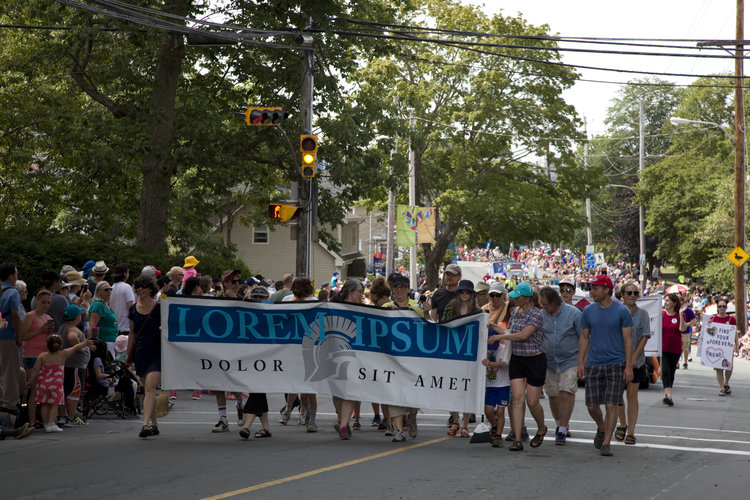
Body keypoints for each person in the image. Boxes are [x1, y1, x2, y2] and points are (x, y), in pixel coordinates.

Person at [577, 275, 633, 457]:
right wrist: (580, 362)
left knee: (611, 404)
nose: (591, 292)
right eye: (591, 288)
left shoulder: (622, 311)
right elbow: (584, 337)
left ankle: (606, 442)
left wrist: (628, 366)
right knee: (592, 405)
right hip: (593, 363)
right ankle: (601, 427)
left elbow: (628, 340)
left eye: (595, 288)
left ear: (606, 290)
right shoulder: (588, 311)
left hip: (616, 363)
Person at [493, 282, 547, 452]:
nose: (515, 299)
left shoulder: (536, 314)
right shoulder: (516, 311)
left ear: (526, 298)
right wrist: (494, 327)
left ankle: (541, 428)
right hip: (517, 358)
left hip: (535, 359)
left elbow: (523, 335)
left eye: (518, 297)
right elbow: (510, 331)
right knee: (517, 399)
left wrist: (500, 337)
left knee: (532, 402)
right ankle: (517, 438)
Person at [539, 286, 581, 446]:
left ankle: (562, 429)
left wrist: (583, 361)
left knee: (566, 393)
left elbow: (584, 337)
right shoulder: (541, 315)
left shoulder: (574, 313)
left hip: (570, 359)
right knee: (553, 395)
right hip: (549, 361)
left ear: (554, 302)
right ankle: (559, 424)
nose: (543, 307)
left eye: (545, 304)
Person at [26, 334, 92, 433]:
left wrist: (30, 381)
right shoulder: (62, 354)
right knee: (54, 404)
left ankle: (46, 423)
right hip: (56, 385)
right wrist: (85, 343)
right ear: (61, 345)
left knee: (44, 404)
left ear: (47, 345)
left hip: (43, 384)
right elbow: (75, 347)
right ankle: (51, 424)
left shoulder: (42, 356)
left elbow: (35, 369)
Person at [442, 280, 481, 438]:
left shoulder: (477, 310)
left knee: (467, 389)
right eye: (462, 292)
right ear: (458, 293)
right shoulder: (451, 306)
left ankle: (465, 424)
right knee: (452, 387)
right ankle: (455, 421)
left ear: (472, 294)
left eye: (467, 292)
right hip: (452, 350)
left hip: (469, 352)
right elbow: (443, 324)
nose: (465, 294)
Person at [280, 277, 319, 432]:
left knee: (309, 389)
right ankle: (292, 411)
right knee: (294, 382)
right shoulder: (287, 300)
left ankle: (310, 418)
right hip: (292, 347)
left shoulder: (314, 303)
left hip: (309, 347)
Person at [615, 281, 650, 445]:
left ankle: (631, 432)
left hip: (637, 360)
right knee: (617, 395)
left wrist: (634, 357)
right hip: (617, 359)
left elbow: (645, 336)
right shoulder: (616, 312)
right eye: (629, 293)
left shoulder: (643, 314)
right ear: (622, 295)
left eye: (635, 293)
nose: (632, 296)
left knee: (632, 395)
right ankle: (622, 424)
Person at [127, 276, 162, 438]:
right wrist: (128, 354)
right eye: (138, 286)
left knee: (150, 388)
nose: (140, 289)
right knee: (149, 390)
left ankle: (145, 424)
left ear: (151, 289)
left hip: (156, 352)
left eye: (144, 286)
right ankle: (154, 424)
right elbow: (132, 333)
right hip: (140, 353)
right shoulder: (133, 309)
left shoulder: (159, 308)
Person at [330, 280, 363, 439]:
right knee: (337, 391)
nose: (361, 294)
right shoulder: (334, 306)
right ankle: (341, 416)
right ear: (350, 291)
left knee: (350, 389)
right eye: (359, 291)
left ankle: (343, 426)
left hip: (355, 353)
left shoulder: (363, 309)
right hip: (334, 351)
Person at [20, 289, 56, 427]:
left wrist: (50, 333)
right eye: (43, 302)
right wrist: (41, 330)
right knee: (34, 389)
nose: (46, 305)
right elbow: (23, 336)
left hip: (44, 355)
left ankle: (41, 419)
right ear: (37, 302)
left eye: (48, 303)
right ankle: (31, 421)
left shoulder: (47, 317)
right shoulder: (30, 316)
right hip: (31, 355)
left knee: (43, 389)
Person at [0, 262, 23, 429]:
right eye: (15, 274)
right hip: (8, 336)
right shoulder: (12, 292)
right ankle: (8, 413)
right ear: (10, 276)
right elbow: (15, 315)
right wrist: (19, 336)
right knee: (10, 374)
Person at [481, 320, 511, 448]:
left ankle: (498, 435)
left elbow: (504, 363)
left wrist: (490, 363)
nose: (492, 349)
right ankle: (494, 425)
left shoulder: (503, 349)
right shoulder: (483, 351)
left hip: (503, 385)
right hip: (490, 385)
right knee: (488, 410)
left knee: (500, 411)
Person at [661, 292, 687, 406]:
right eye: (665, 301)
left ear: (674, 303)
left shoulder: (679, 315)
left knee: (671, 371)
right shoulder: (662, 315)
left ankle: (666, 394)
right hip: (663, 347)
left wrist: (680, 314)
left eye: (668, 301)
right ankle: (669, 395)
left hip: (675, 348)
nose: (666, 303)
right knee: (665, 371)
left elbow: (682, 329)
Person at [708, 298, 737, 396]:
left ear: (726, 308)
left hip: (728, 347)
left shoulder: (731, 319)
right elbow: (708, 333)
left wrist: (737, 345)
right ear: (717, 308)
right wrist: (708, 324)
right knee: (718, 368)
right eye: (720, 306)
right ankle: (721, 388)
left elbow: (734, 333)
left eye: (724, 306)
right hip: (716, 346)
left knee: (729, 367)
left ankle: (726, 383)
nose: (722, 308)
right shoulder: (713, 319)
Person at [89, 281, 119, 355]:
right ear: (98, 291)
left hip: (111, 341)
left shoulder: (105, 305)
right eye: (106, 290)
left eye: (110, 289)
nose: (109, 291)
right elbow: (92, 325)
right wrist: (91, 343)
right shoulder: (98, 305)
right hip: (104, 342)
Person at [110, 263, 135, 337]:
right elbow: (131, 307)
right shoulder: (127, 287)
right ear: (125, 273)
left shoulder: (111, 287)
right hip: (125, 327)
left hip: (114, 327)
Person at [679, 290, 697, 369]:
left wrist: (687, 324)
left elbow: (694, 320)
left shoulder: (688, 310)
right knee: (678, 347)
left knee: (685, 348)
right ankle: (677, 362)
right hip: (676, 332)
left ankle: (685, 362)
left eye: (681, 302)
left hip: (685, 332)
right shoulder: (674, 310)